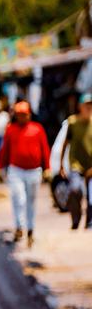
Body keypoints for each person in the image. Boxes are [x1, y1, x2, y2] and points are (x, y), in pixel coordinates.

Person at [0, 101, 50, 246]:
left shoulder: (37, 129)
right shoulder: (11, 130)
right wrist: (0, 167)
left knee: (31, 201)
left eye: (24, 114)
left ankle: (30, 229)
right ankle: (19, 226)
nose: (22, 117)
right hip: (16, 170)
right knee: (18, 198)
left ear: (29, 115)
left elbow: (44, 149)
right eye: (19, 114)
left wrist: (47, 168)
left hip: (34, 171)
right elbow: (5, 150)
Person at [60, 93, 92, 230]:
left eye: (91, 105)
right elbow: (65, 144)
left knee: (91, 194)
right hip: (76, 164)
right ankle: (76, 219)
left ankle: (89, 221)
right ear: (80, 106)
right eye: (86, 105)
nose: (89, 108)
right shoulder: (72, 122)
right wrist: (61, 165)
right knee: (75, 189)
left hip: (91, 165)